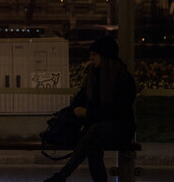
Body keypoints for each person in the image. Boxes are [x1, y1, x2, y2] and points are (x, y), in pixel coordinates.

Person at [44, 36, 136, 182]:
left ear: (105, 56)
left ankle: (63, 175)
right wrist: (76, 110)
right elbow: (79, 100)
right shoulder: (93, 77)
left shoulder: (123, 78)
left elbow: (119, 111)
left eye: (94, 55)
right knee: (93, 142)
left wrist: (89, 113)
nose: (90, 59)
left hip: (120, 129)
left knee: (95, 132)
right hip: (97, 129)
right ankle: (63, 176)